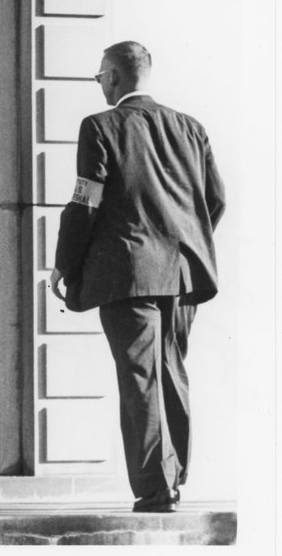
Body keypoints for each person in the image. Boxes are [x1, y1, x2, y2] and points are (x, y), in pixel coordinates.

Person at [50, 41, 226, 514]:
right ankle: (175, 473)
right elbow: (217, 200)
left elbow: (85, 203)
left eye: (100, 76)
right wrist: (184, 238)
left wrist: (64, 263)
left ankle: (155, 488)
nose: (100, 83)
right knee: (171, 370)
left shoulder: (100, 126)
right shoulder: (191, 127)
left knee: (139, 379)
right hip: (184, 274)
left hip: (127, 273)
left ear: (112, 76)